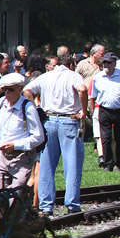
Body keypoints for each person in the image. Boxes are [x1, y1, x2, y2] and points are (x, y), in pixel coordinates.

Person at [23, 53, 88, 215]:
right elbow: (82, 89)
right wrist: (84, 110)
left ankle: (46, 206)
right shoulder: (73, 76)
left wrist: (36, 109)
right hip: (69, 121)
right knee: (72, 164)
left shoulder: (46, 76)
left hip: (49, 121)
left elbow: (27, 90)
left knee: (46, 165)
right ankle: (72, 204)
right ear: (72, 65)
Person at [0, 73, 45, 200]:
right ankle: (0, 218)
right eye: (4, 89)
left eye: (10, 89)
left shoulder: (27, 108)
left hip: (21, 156)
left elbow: (38, 137)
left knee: (15, 195)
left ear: (20, 88)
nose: (7, 92)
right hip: (3, 156)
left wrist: (15, 145)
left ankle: (17, 217)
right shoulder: (2, 103)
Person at [90, 52, 120, 172]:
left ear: (114, 63)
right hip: (104, 110)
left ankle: (119, 163)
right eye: (104, 62)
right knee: (106, 138)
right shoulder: (98, 77)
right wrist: (94, 111)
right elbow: (93, 96)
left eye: (109, 62)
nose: (106, 65)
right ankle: (108, 164)